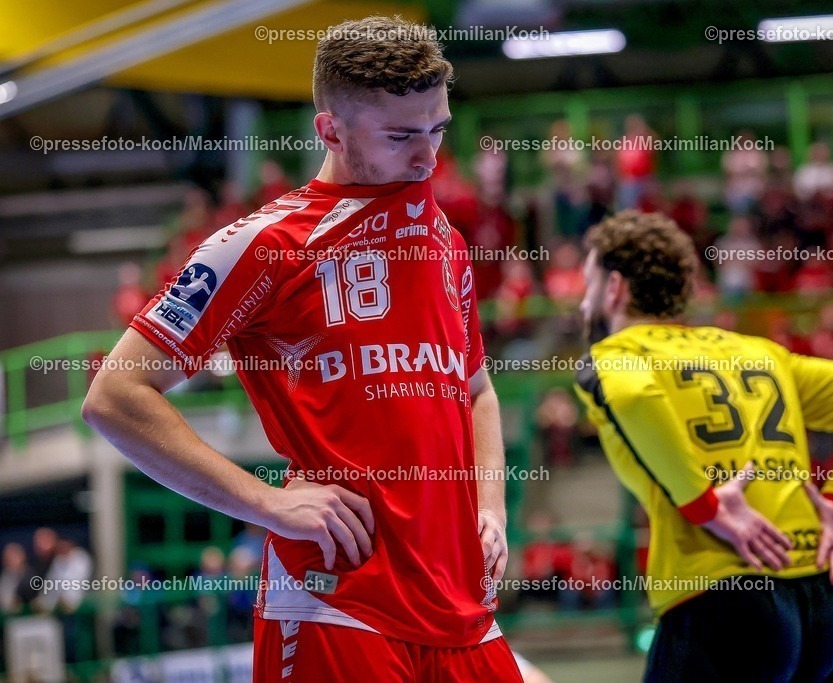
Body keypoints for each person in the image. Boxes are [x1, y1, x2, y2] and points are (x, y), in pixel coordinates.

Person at [82, 16, 521, 682]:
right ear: (330, 131)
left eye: (437, 128)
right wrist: (266, 503)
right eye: (401, 136)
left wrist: (491, 505)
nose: (428, 157)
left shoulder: (445, 240)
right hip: (338, 599)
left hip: (461, 600)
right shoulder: (265, 244)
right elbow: (114, 396)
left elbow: (476, 390)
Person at [574, 210, 833, 682]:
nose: (582, 303)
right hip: (816, 600)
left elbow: (632, 396)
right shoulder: (758, 351)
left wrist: (707, 507)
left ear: (614, 287)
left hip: (718, 591)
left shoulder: (618, 354)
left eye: (587, 285)